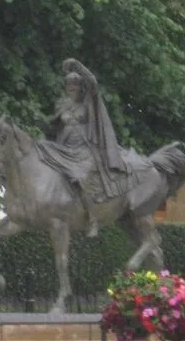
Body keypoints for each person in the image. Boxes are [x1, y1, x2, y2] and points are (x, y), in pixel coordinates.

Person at [36, 58, 128, 237]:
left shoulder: (88, 102)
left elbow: (93, 81)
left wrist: (77, 65)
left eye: (75, 86)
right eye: (69, 86)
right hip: (63, 149)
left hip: (84, 151)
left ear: (81, 87)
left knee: (80, 177)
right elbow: (53, 126)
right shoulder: (62, 104)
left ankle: (93, 219)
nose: (72, 89)